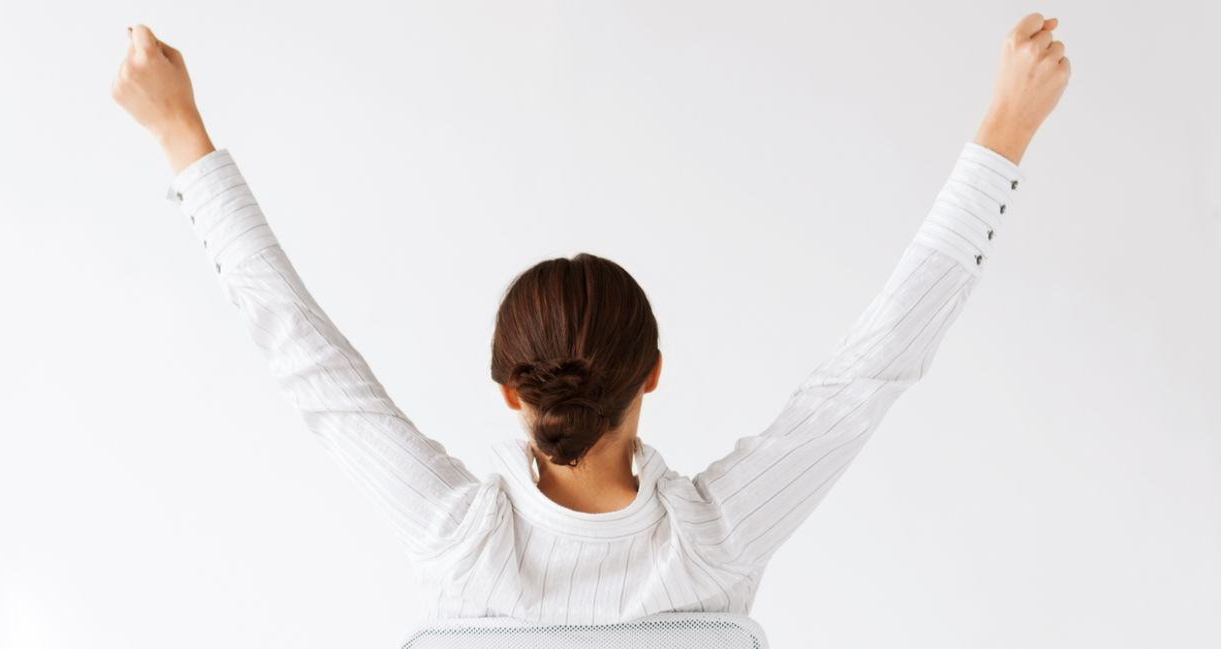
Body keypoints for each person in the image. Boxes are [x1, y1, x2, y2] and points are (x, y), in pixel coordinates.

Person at [111, 12, 1069, 626]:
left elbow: (303, 358)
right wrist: (1004, 133)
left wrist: (179, 134)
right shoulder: (714, 540)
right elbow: (874, 369)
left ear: (506, 391)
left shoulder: (464, 540)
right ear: (653, 372)